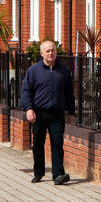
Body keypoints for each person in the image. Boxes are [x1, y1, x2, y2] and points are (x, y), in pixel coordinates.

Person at [20, 39, 75, 185]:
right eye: (48, 51)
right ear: (42, 53)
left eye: (53, 50)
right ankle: (38, 172)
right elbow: (26, 91)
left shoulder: (63, 71)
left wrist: (71, 112)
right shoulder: (33, 71)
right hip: (39, 113)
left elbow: (70, 93)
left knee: (57, 143)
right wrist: (28, 109)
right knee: (38, 143)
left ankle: (58, 175)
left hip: (57, 113)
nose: (51, 53)